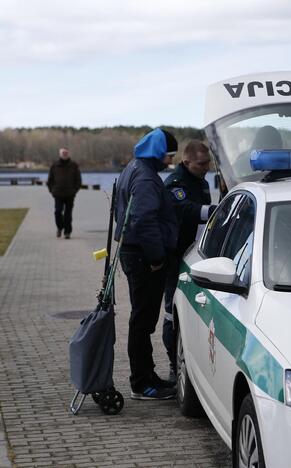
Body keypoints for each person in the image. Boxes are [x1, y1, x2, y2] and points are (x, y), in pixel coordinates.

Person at [114, 128, 178, 400]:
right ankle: (141, 383)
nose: (170, 161)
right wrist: (156, 257)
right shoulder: (146, 178)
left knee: (143, 320)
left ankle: (147, 375)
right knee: (142, 321)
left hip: (134, 252)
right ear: (159, 152)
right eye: (170, 155)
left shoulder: (135, 168)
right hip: (142, 257)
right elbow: (143, 220)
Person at [162, 140, 216, 380]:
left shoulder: (201, 182)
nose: (206, 167)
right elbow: (184, 210)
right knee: (172, 313)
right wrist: (216, 210)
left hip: (195, 256)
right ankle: (175, 365)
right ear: (186, 162)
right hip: (174, 257)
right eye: (202, 163)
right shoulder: (176, 184)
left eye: (208, 163)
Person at [47, 148, 82, 239]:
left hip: (70, 194)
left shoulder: (74, 165)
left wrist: (75, 190)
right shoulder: (54, 166)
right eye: (63, 153)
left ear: (68, 154)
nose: (65, 154)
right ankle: (59, 227)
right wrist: (52, 190)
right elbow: (50, 180)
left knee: (68, 214)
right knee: (57, 212)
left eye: (66, 153)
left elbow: (78, 180)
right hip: (58, 194)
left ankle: (67, 232)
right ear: (60, 154)